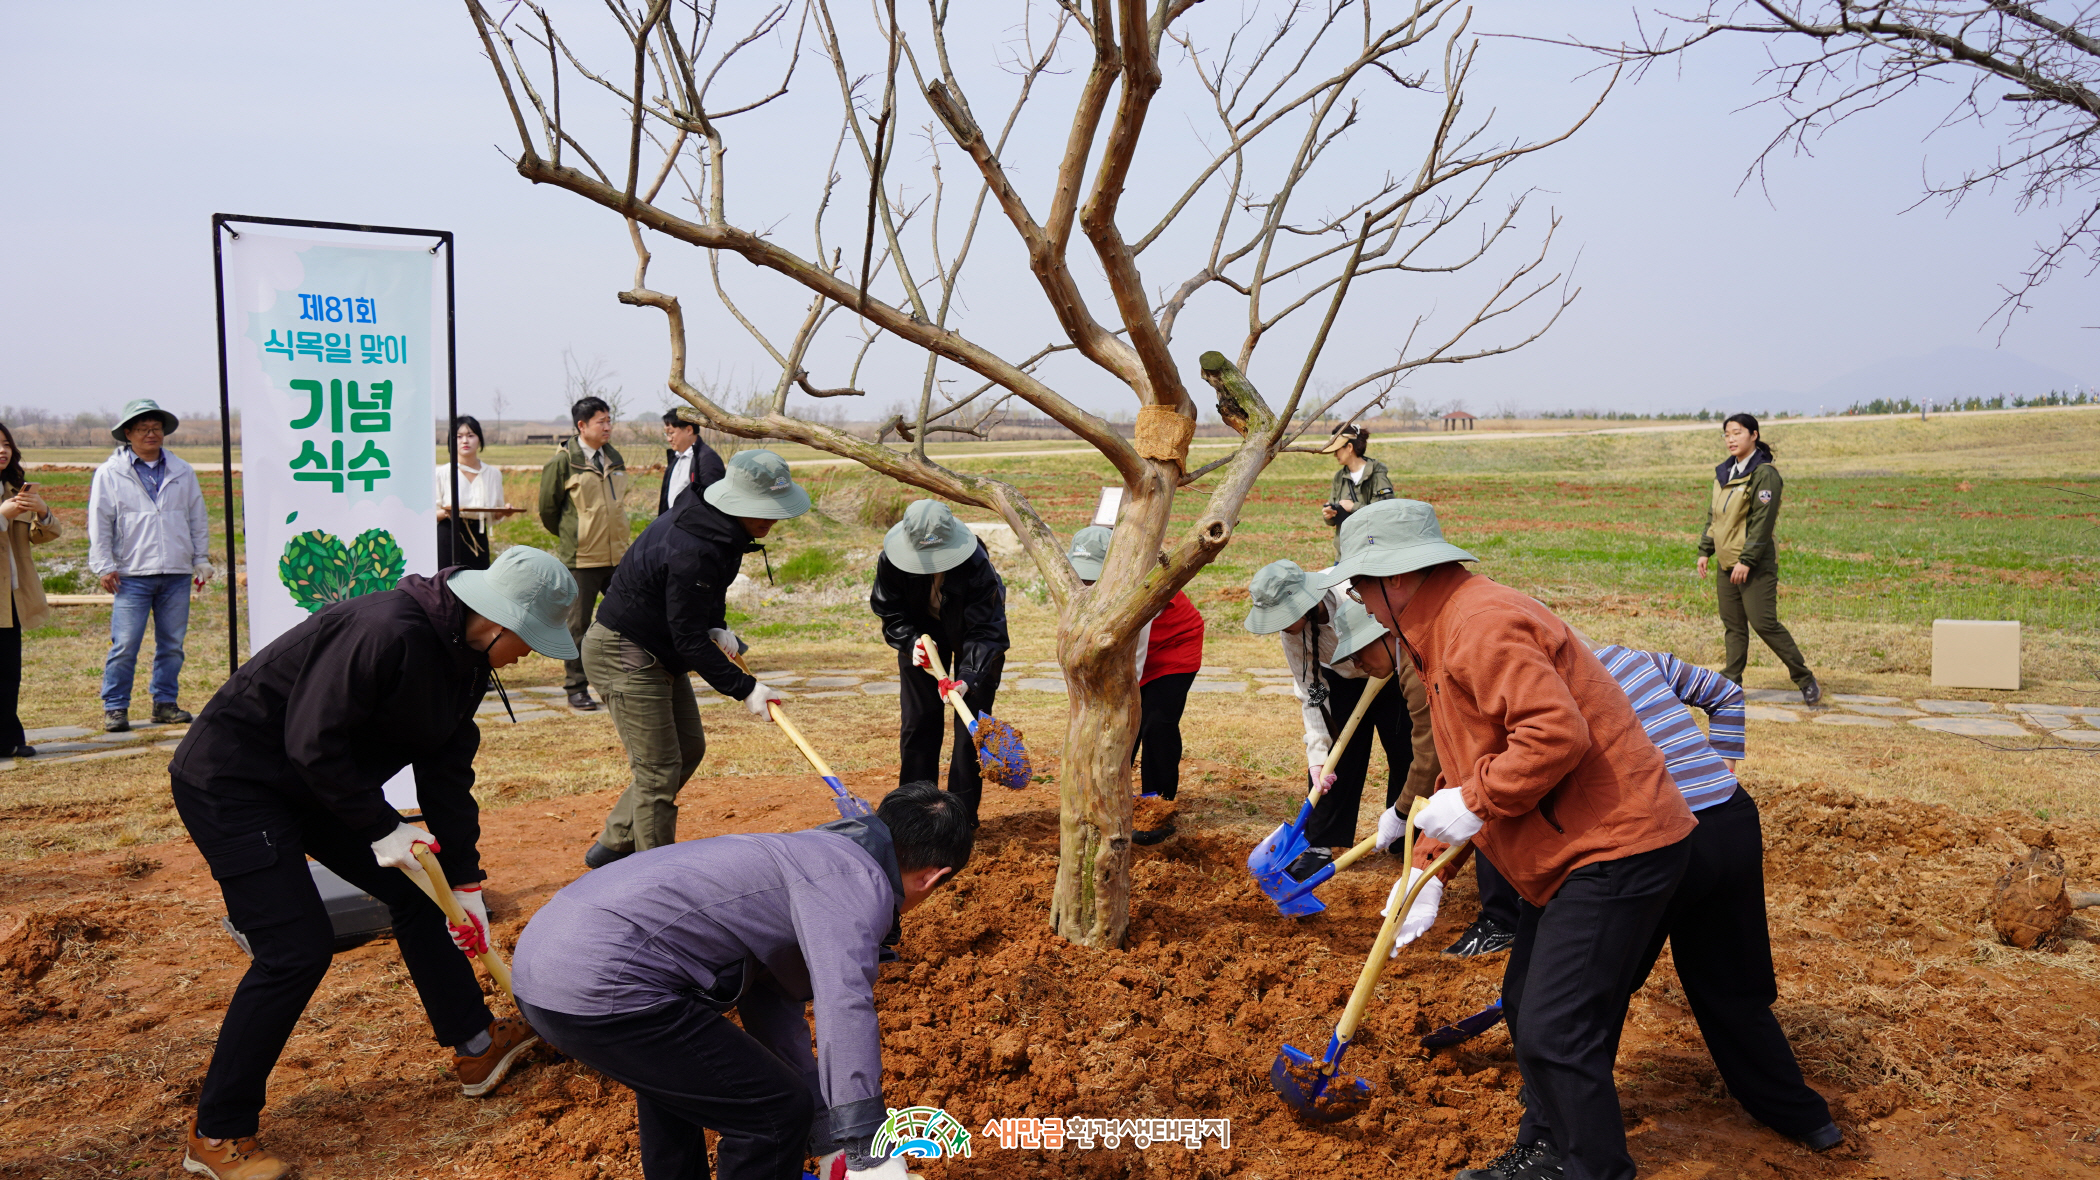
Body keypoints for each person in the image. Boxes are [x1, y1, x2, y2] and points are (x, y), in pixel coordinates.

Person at [168, 545, 581, 1180]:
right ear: (500, 622)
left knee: (421, 893)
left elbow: (445, 773)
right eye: (530, 642)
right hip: (236, 779)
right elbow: (312, 740)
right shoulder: (385, 631)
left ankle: (475, 1046)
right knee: (294, 948)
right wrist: (380, 826)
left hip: (316, 785)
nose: (530, 657)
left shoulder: (466, 660)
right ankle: (217, 1133)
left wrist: (464, 879)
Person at [1325, 499, 1696, 1180]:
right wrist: (1425, 871)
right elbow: (1465, 764)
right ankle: (1547, 1149)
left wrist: (1475, 801)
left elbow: (1553, 736)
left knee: (1556, 1028)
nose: (1361, 605)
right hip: (1574, 852)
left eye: (1358, 587)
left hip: (1615, 847)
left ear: (1397, 579)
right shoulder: (1441, 632)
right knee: (1529, 1010)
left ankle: (1589, 1168)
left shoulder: (1479, 626)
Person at [514, 782, 974, 1180]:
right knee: (772, 1114)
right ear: (934, 877)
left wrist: (827, 1135)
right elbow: (845, 1006)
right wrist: (866, 1148)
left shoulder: (814, 850)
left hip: (546, 966)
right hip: (602, 980)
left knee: (676, 1087)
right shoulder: (856, 885)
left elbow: (771, 1005)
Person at [1583, 638, 1840, 1153]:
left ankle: (1562, 1109)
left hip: (1660, 837)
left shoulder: (1540, 686)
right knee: (1732, 990)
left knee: (1594, 987)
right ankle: (1804, 1117)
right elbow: (1725, 692)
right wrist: (1723, 765)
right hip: (1731, 821)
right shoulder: (1631, 657)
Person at [581, 449, 807, 867]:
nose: (772, 519)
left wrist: (716, 625)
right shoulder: (694, 544)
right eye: (764, 509)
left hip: (658, 645)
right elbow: (688, 639)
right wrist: (746, 688)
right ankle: (654, 881)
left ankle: (614, 844)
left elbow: (701, 601)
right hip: (624, 650)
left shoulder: (724, 529)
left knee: (688, 748)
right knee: (658, 769)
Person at [1242, 559, 1436, 877]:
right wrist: (1317, 755)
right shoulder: (1293, 636)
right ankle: (1319, 842)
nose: (1279, 625)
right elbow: (1310, 692)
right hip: (1339, 681)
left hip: (1392, 673)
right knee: (1336, 758)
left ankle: (1406, 833)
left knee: (1407, 753)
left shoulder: (1354, 593)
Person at [871, 500, 1009, 827]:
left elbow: (987, 630)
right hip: (920, 637)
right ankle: (914, 815)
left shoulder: (976, 564)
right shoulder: (891, 560)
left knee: (969, 728)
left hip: (973, 639)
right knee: (919, 721)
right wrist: (909, 642)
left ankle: (959, 820)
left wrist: (968, 677)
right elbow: (890, 611)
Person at [1065, 525, 1203, 844]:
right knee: (1116, 726)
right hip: (1125, 649)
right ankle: (1111, 801)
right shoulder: (1074, 587)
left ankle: (1156, 806)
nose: (1086, 582)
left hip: (1173, 647)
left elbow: (1133, 663)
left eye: (1092, 575)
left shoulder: (1138, 586)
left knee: (1154, 725)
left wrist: (1116, 703)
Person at [88, 398, 212, 733]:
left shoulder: (182, 471)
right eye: (142, 428)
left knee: (172, 644)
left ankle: (165, 702)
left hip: (175, 571)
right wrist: (103, 565)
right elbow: (100, 522)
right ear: (128, 433)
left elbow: (197, 518)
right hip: (131, 574)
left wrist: (200, 558)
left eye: (156, 428)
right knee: (125, 644)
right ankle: (115, 707)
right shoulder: (110, 473)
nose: (150, 434)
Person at [1697, 412, 1820, 706]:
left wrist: (1747, 561)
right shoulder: (1724, 473)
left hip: (1753, 565)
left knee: (1764, 622)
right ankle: (1731, 683)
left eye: (1737, 433)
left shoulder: (1764, 474)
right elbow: (1715, 517)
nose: (1731, 439)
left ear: (1753, 435)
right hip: (1726, 563)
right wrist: (1705, 550)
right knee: (1733, 625)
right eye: (1727, 434)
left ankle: (1805, 679)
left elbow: (1762, 522)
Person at [540, 396, 631, 712]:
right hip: (582, 560)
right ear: (582, 426)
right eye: (601, 421)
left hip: (618, 556)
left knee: (630, 619)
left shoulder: (614, 457)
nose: (608, 427)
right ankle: (576, 688)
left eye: (609, 420)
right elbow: (548, 511)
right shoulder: (563, 463)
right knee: (577, 626)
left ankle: (627, 682)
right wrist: (573, 537)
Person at [0, 421, 59, 759]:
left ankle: (9, 739)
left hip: (13, 596)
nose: (3, 450)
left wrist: (42, 511)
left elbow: (46, 534)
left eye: (7, 443)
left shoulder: (15, 489)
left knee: (8, 671)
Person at [437, 414, 505, 571]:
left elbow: (495, 513)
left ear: (479, 439)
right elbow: (431, 513)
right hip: (449, 534)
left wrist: (503, 512)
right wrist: (448, 512)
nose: (465, 441)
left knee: (477, 586)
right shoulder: (442, 473)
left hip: (478, 535)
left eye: (470, 435)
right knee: (446, 585)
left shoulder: (492, 474)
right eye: (459, 436)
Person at [1318, 423, 1394, 531]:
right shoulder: (1339, 477)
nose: (1335, 455)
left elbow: (1385, 513)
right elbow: (1333, 517)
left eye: (1337, 450)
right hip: (1346, 545)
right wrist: (1329, 516)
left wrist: (1353, 507)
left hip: (1370, 544)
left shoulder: (1377, 475)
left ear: (1349, 447)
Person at [658, 407, 726, 515]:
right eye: (666, 434)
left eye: (671, 433)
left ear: (689, 430)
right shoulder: (675, 458)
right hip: (673, 524)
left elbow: (713, 503)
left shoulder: (707, 459)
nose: (668, 439)